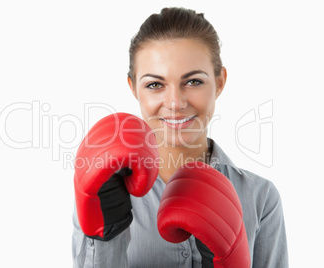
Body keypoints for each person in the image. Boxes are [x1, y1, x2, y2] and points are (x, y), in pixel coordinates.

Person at [72, 7, 288, 267]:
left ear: (220, 82)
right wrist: (106, 239)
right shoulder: (104, 189)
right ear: (133, 88)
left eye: (193, 81)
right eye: (155, 85)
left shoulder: (260, 196)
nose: (175, 102)